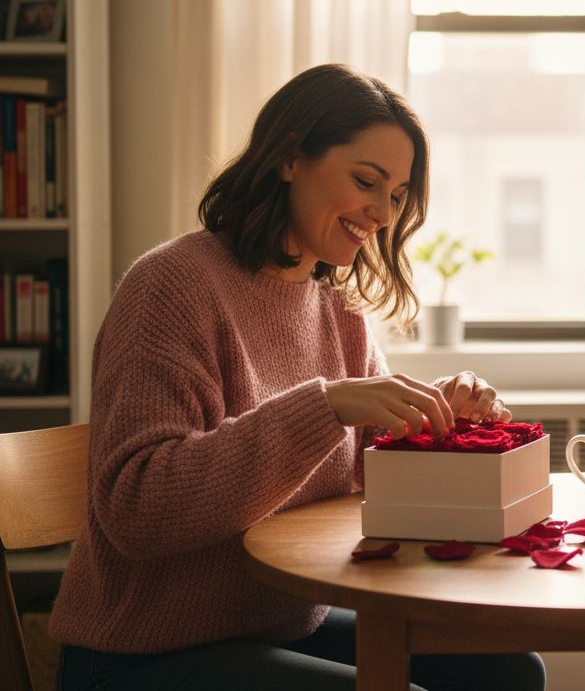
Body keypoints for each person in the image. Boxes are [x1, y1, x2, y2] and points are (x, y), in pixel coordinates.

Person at [49, 64, 546, 691]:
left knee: (507, 672)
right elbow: (137, 509)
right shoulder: (171, 287)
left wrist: (433, 418)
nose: (382, 214)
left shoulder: (336, 307)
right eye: (366, 181)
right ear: (289, 157)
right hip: (144, 653)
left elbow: (366, 475)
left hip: (279, 625)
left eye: (395, 195)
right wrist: (328, 407)